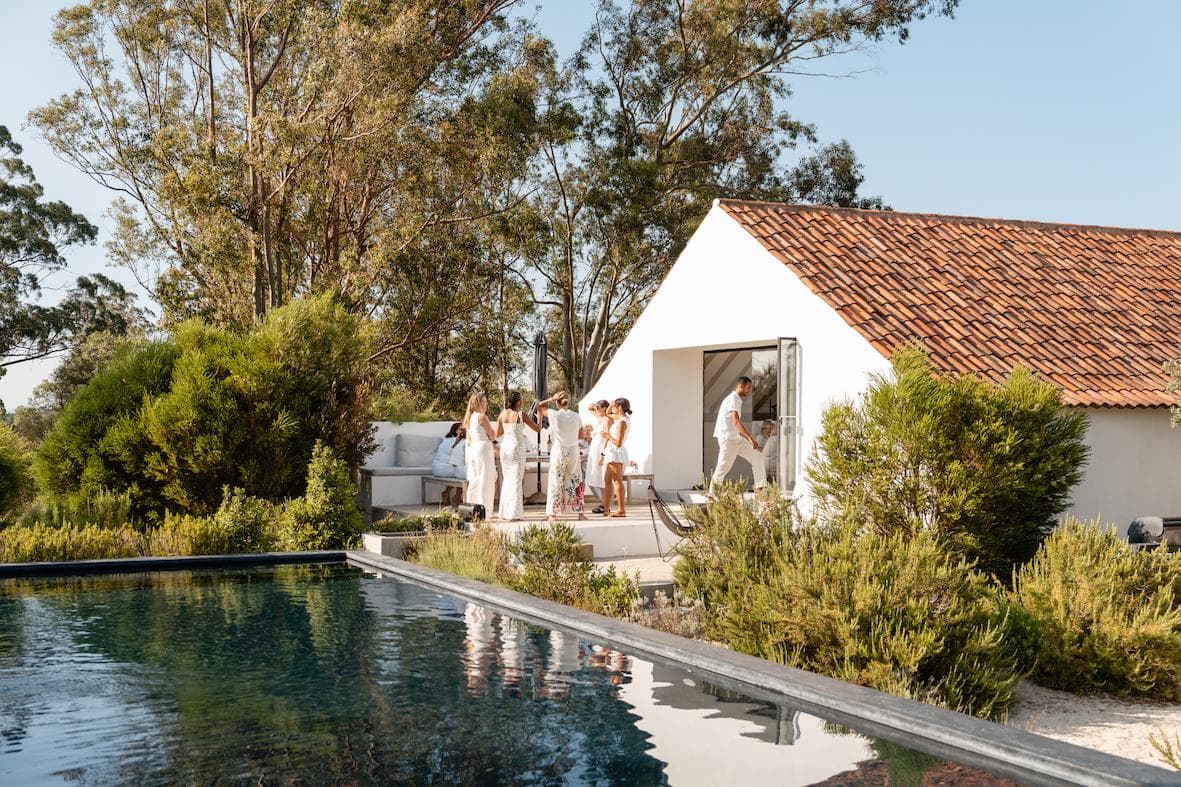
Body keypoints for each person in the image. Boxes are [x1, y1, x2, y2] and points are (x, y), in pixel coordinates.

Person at [710, 376, 766, 492]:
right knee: (723, 468)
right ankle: (711, 495)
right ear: (740, 386)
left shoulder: (736, 399)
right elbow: (735, 421)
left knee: (757, 456)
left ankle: (760, 488)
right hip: (728, 440)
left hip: (736, 439)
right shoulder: (733, 399)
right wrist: (750, 438)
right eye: (748, 387)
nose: (749, 390)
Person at [538, 391, 586, 522]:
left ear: (557, 402)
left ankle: (552, 514)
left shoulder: (554, 415)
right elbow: (581, 436)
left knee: (555, 480)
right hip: (573, 449)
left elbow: (539, 406)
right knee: (576, 479)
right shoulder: (576, 416)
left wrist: (550, 400)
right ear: (568, 401)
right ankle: (580, 513)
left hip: (559, 449)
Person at [496, 391, 542, 521]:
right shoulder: (521, 415)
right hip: (517, 447)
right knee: (516, 480)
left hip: (505, 447)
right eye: (521, 399)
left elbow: (498, 434)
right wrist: (539, 416)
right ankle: (514, 513)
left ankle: (504, 512)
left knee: (507, 479)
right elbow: (538, 429)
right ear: (518, 401)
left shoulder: (502, 414)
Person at [462, 391, 498, 515]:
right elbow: (492, 434)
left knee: (476, 479)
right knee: (486, 479)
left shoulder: (470, 417)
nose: (486, 404)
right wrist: (492, 439)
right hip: (483, 448)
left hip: (474, 449)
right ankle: (485, 510)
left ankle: (470, 508)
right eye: (485, 402)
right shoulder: (482, 417)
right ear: (479, 403)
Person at [600, 398, 632, 518]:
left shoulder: (622, 422)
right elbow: (607, 413)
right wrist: (612, 403)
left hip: (616, 453)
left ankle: (621, 510)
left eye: (614, 406)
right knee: (607, 480)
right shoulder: (619, 419)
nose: (612, 408)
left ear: (619, 407)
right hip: (611, 453)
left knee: (617, 481)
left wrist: (608, 435)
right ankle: (607, 509)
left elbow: (618, 443)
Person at [583, 400, 610, 513]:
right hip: (595, 451)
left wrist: (603, 455)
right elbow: (588, 407)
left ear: (604, 408)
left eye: (599, 407)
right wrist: (595, 406)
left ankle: (605, 505)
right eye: (597, 407)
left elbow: (608, 438)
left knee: (602, 478)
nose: (597, 409)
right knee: (598, 478)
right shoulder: (600, 417)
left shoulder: (607, 420)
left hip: (601, 451)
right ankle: (603, 503)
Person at [430, 422, 464, 505]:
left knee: (457, 469)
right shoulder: (459, 441)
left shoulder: (446, 440)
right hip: (445, 469)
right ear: (456, 431)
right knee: (463, 473)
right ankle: (457, 496)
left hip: (435, 469)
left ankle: (447, 493)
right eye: (461, 429)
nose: (463, 431)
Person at [760, 419, 779, 484]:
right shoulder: (773, 438)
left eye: (772, 426)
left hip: (770, 466)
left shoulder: (775, 439)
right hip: (767, 465)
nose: (770, 429)